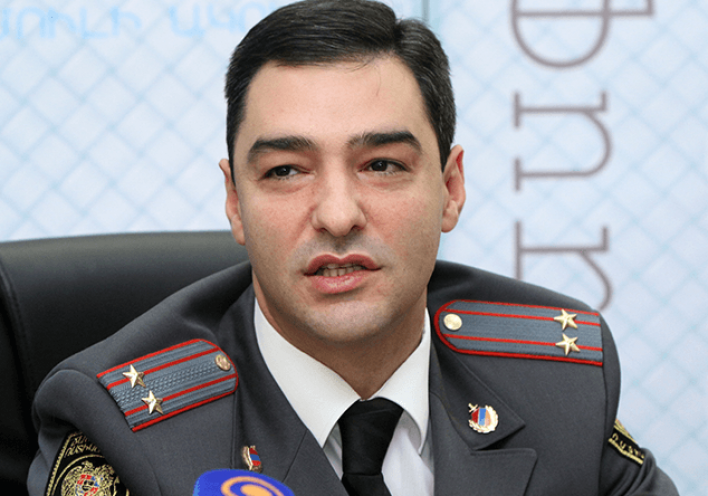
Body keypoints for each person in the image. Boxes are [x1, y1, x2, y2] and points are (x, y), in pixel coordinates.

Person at [28, 1, 678, 495]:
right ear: (235, 202)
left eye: (382, 165)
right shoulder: (128, 431)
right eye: (286, 171)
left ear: (450, 189)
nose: (337, 216)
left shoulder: (559, 383)